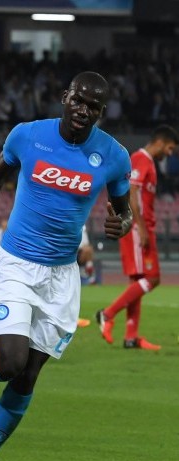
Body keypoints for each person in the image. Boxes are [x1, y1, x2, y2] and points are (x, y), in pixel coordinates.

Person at [0, 72, 132, 461]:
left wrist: (120, 223)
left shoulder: (112, 155)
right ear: (64, 97)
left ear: (101, 113)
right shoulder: (28, 136)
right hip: (16, 264)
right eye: (78, 100)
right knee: (9, 362)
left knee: (27, 377)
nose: (83, 110)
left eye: (93, 107)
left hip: (62, 278)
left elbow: (123, 210)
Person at [96, 124, 179, 351]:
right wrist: (140, 227)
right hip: (137, 228)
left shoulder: (148, 163)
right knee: (153, 278)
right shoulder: (141, 159)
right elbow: (132, 193)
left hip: (141, 227)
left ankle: (131, 337)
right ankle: (107, 313)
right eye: (170, 148)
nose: (170, 154)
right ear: (160, 142)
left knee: (138, 281)